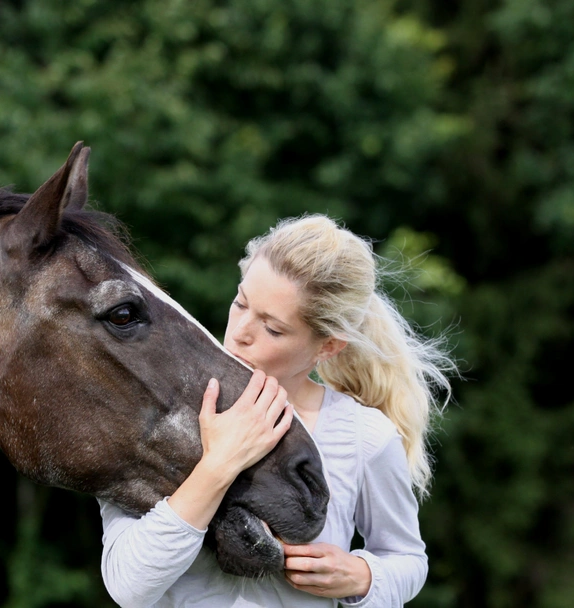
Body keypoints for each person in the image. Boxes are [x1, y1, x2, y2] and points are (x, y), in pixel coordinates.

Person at [98, 215, 453, 607]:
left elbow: (407, 559)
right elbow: (127, 587)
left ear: (328, 346)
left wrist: (361, 577)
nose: (240, 332)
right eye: (240, 303)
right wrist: (218, 466)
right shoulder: (157, 407)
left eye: (273, 328)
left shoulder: (364, 436)